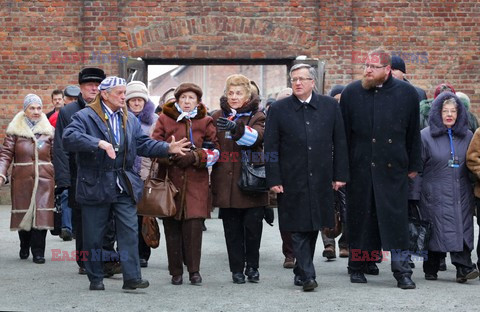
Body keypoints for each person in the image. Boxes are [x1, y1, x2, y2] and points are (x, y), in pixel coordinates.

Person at [62, 76, 190, 291]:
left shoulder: (129, 119)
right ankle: (95, 278)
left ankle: (132, 278)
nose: (125, 97)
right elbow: (69, 137)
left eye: (125, 92)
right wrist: (98, 143)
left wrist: (166, 148)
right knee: (94, 236)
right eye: (120, 93)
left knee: (129, 231)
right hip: (95, 183)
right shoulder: (85, 116)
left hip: (123, 183)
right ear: (105, 95)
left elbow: (142, 144)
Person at [340, 48, 421, 289]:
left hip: (393, 167)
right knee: (360, 217)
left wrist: (414, 164)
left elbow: (412, 133)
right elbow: (343, 136)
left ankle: (402, 271)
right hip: (360, 166)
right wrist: (341, 171)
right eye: (366, 65)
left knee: (396, 221)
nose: (367, 70)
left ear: (387, 70)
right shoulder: (352, 92)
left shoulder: (407, 94)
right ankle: (357, 265)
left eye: (373, 67)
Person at [265, 64, 349, 292]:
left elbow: (340, 141)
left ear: (313, 82)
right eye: (294, 79)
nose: (298, 83)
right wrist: (274, 178)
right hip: (291, 177)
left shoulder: (329, 106)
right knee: (299, 226)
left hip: (322, 176)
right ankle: (308, 275)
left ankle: (300, 270)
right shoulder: (279, 109)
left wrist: (340, 175)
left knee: (313, 225)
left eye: (302, 79)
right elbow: (270, 146)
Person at [53, 67, 123, 276]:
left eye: (96, 85)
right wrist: (63, 179)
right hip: (79, 174)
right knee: (83, 221)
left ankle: (107, 261)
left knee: (108, 219)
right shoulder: (68, 111)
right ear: (80, 89)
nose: (93, 88)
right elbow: (60, 147)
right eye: (88, 85)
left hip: (107, 172)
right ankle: (85, 261)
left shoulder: (110, 109)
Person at [152, 82, 219, 285]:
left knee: (193, 228)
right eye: (183, 98)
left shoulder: (206, 121)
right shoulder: (164, 119)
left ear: (198, 101)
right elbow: (154, 146)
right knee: (172, 228)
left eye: (191, 98)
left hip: (196, 183)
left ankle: (194, 271)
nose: (187, 101)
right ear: (177, 100)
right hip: (170, 181)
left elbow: (215, 149)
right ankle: (175, 272)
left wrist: (196, 157)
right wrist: (170, 154)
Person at [211, 74, 268, 284]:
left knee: (253, 230)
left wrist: (236, 128)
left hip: (251, 182)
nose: (234, 97)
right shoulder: (217, 116)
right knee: (231, 231)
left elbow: (257, 139)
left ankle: (252, 267)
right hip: (226, 185)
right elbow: (212, 143)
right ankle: (236, 269)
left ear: (247, 95)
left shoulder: (257, 115)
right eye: (230, 93)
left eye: (239, 93)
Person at [421, 92, 478, 283]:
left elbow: (472, 163)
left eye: (454, 111)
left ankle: (464, 268)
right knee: (436, 229)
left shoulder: (467, 135)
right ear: (437, 113)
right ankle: (431, 267)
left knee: (462, 229)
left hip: (461, 192)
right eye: (445, 110)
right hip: (433, 192)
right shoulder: (425, 136)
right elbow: (416, 169)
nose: (449, 115)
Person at [0, 94, 54, 264]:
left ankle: (39, 252)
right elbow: (6, 154)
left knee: (42, 213)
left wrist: (60, 177)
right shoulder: (14, 131)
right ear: (25, 110)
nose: (36, 111)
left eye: (39, 107)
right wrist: (1, 173)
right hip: (22, 179)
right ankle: (25, 245)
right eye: (32, 108)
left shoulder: (49, 131)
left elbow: (57, 156)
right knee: (24, 215)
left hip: (45, 178)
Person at [125, 81, 158, 268]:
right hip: (126, 173)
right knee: (126, 215)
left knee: (144, 215)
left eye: (140, 100)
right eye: (133, 100)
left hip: (145, 173)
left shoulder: (154, 120)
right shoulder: (120, 118)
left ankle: (143, 253)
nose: (136, 103)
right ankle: (129, 252)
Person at [320, 84, 349, 259]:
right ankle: (328, 243)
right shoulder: (325, 118)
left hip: (344, 168)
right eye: (335, 100)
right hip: (325, 168)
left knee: (346, 208)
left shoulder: (349, 119)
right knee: (327, 207)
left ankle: (345, 244)